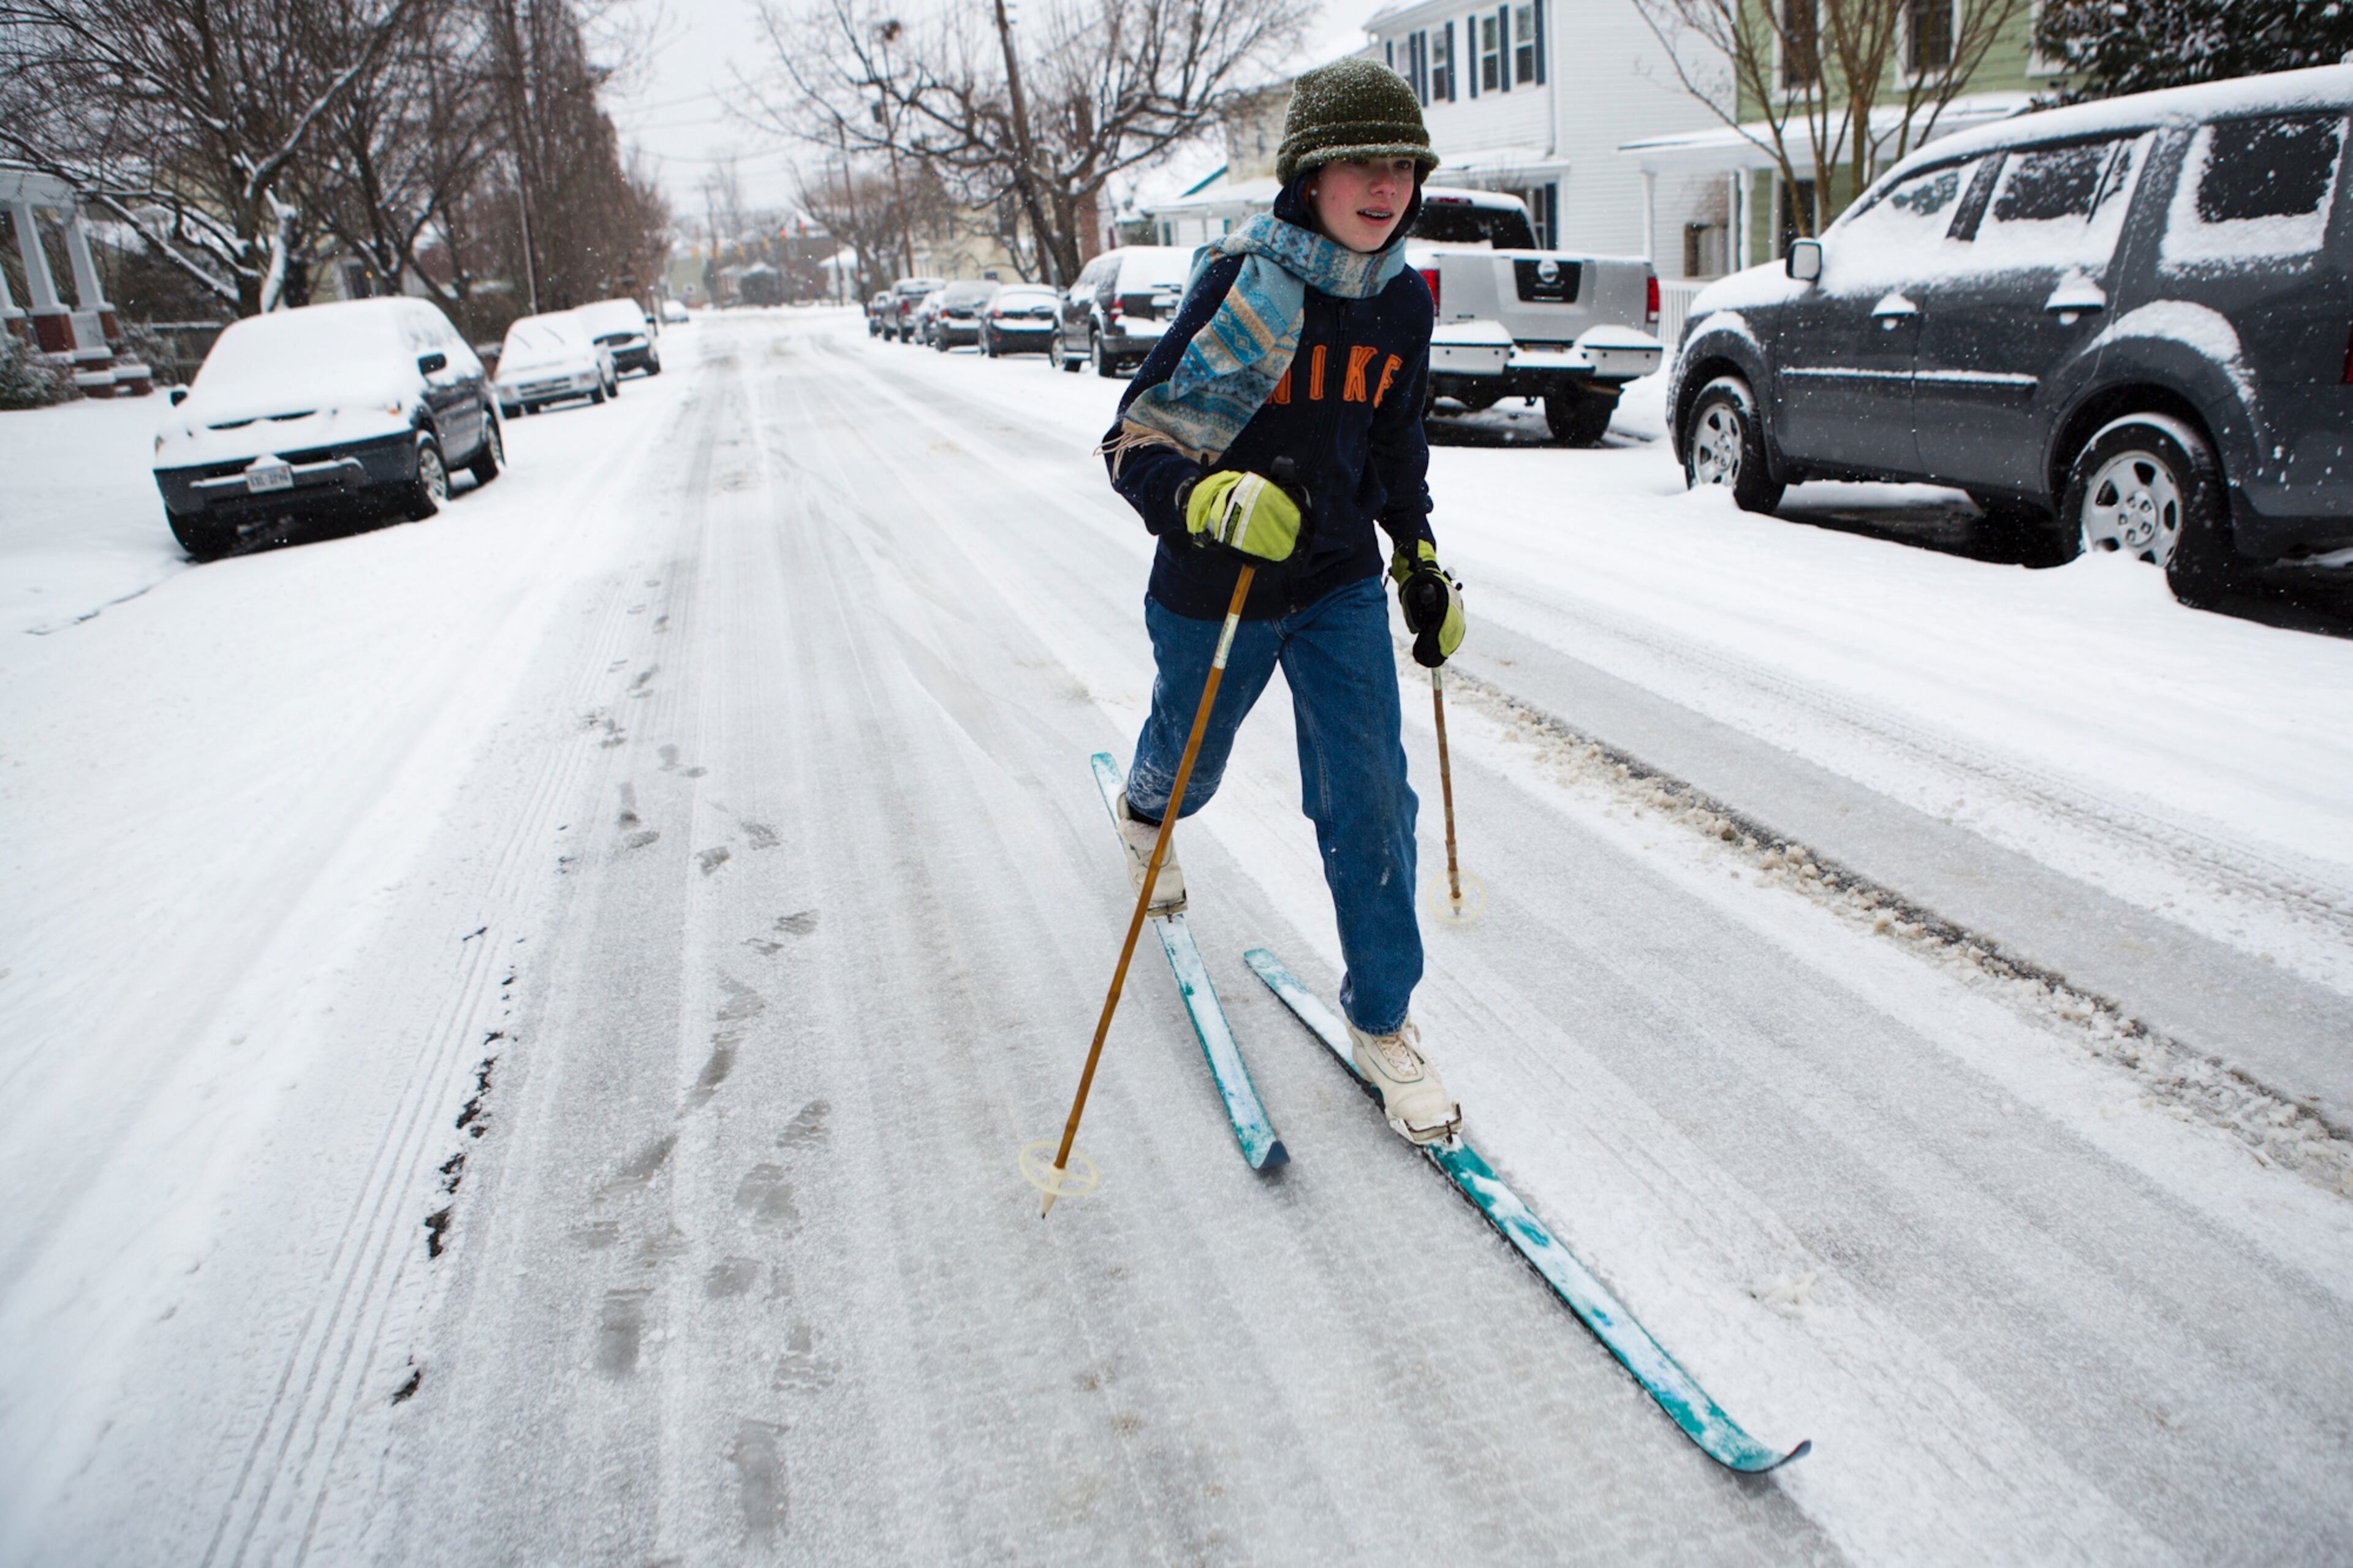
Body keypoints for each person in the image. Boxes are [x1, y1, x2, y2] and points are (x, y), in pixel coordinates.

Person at [1098, 58, 1468, 1145]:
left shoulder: (1401, 300)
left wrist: (1421, 555)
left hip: (1340, 584)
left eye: (1401, 163)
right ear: (1308, 175)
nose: (1384, 183)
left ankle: (1385, 1018)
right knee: (1192, 757)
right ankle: (1145, 812)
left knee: (1370, 801)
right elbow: (1133, 441)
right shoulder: (1241, 285)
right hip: (1219, 589)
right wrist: (1206, 497)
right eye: (1360, 160)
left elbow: (1396, 442)